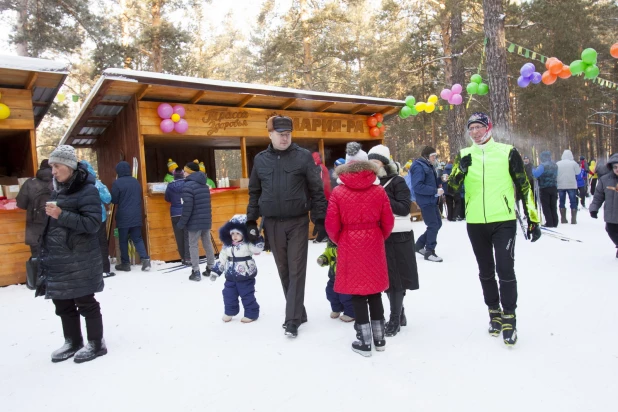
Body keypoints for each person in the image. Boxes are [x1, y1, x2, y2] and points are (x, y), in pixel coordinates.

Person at [448, 112, 541, 346]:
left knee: (505, 269)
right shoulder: (464, 155)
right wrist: (460, 171)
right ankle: (494, 313)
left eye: (479, 127)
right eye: (471, 129)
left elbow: (524, 185)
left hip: (503, 221)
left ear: (489, 128)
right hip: (476, 222)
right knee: (485, 271)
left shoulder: (507, 152)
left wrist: (533, 219)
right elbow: (450, 189)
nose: (475, 132)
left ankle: (510, 316)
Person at [247, 115, 327, 338]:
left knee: (297, 269)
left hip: (298, 221)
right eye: (280, 134)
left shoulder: (303, 157)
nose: (284, 138)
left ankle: (291, 320)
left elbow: (316, 190)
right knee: (284, 271)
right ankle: (298, 312)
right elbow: (254, 192)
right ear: (270, 134)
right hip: (272, 223)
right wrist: (251, 221)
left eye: (288, 134)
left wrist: (320, 219)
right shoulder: (261, 160)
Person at [38, 145, 107, 363]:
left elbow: (93, 223)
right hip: (59, 259)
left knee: (85, 301)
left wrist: (61, 214)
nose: (54, 171)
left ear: (68, 166)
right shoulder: (58, 190)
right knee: (62, 302)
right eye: (52, 167)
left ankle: (96, 343)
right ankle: (73, 341)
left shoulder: (88, 190)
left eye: (57, 166)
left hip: (80, 258)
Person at [325, 142, 394, 357]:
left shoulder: (338, 192)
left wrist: (341, 240)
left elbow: (331, 225)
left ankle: (364, 341)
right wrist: (377, 235)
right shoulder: (378, 191)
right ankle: (379, 338)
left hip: (349, 242)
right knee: (374, 291)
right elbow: (388, 222)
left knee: (356, 292)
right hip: (373, 241)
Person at [368, 144, 419, 337]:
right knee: (387, 279)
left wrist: (382, 198)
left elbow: (405, 208)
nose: (373, 164)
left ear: (385, 163)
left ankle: (395, 318)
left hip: (398, 235)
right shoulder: (370, 182)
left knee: (396, 278)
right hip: (379, 235)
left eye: (376, 160)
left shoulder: (397, 181)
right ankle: (401, 313)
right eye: (370, 161)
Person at [209, 214, 264, 322]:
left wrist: (257, 239)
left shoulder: (248, 244)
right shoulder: (227, 246)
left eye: (238, 233)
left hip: (245, 275)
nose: (234, 236)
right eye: (232, 233)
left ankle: (251, 313)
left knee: (247, 295)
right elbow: (222, 259)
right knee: (228, 295)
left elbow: (257, 249)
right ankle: (230, 312)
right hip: (230, 276)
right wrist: (216, 271)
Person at [177, 161, 215, 281]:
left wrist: (182, 222)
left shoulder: (187, 186)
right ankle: (211, 268)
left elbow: (188, 207)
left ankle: (196, 271)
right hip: (205, 220)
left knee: (193, 245)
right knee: (207, 243)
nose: (183, 173)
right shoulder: (204, 184)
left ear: (189, 172)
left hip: (194, 221)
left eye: (185, 171)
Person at [111, 161, 151, 271]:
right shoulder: (135, 182)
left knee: (123, 240)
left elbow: (114, 199)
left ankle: (125, 264)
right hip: (136, 214)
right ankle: (145, 260)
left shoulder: (117, 183)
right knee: (137, 238)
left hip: (123, 216)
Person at [411, 146, 443, 262]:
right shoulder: (418, 167)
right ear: (426, 156)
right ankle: (430, 251)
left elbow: (431, 182)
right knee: (433, 225)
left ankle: (419, 245)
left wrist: (440, 180)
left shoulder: (428, 165)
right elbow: (418, 186)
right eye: (433, 156)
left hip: (432, 200)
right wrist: (435, 191)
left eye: (435, 156)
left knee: (437, 224)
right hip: (425, 201)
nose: (435, 158)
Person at [82, 161, 114, 278]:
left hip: (82, 219)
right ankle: (104, 269)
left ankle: (88, 270)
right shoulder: (97, 184)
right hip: (99, 218)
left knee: (85, 244)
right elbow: (107, 198)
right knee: (101, 243)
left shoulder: (75, 184)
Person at [16, 159, 52, 258]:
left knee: (37, 259)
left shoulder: (29, 183)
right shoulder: (60, 182)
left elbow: (21, 204)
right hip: (55, 229)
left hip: (34, 231)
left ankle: (38, 273)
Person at [317, 240, 355, 322]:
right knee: (330, 293)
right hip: (333, 276)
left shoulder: (346, 240)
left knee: (345, 296)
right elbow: (328, 252)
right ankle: (337, 309)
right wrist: (323, 259)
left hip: (346, 276)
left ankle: (351, 313)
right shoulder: (331, 242)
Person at [589, 153, 618, 258]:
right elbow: (598, 196)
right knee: (610, 230)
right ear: (611, 167)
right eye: (615, 167)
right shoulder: (605, 180)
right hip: (611, 214)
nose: (617, 169)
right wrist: (594, 208)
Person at [165, 167, 190, 265]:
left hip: (174, 214)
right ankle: (188, 258)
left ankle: (183, 258)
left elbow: (167, 198)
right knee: (187, 236)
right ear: (183, 174)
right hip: (186, 213)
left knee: (179, 236)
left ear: (174, 175)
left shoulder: (170, 185)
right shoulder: (187, 184)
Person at [533, 151, 559, 227]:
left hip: (545, 187)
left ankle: (549, 222)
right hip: (554, 187)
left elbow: (536, 174)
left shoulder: (542, 166)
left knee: (546, 206)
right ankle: (555, 221)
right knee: (553, 205)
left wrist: (533, 169)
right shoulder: (555, 165)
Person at [556, 149, 580, 224]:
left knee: (562, 201)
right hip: (571, 184)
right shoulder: (573, 163)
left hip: (560, 185)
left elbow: (556, 173)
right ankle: (573, 219)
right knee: (573, 201)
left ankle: (563, 218)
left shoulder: (558, 163)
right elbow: (578, 172)